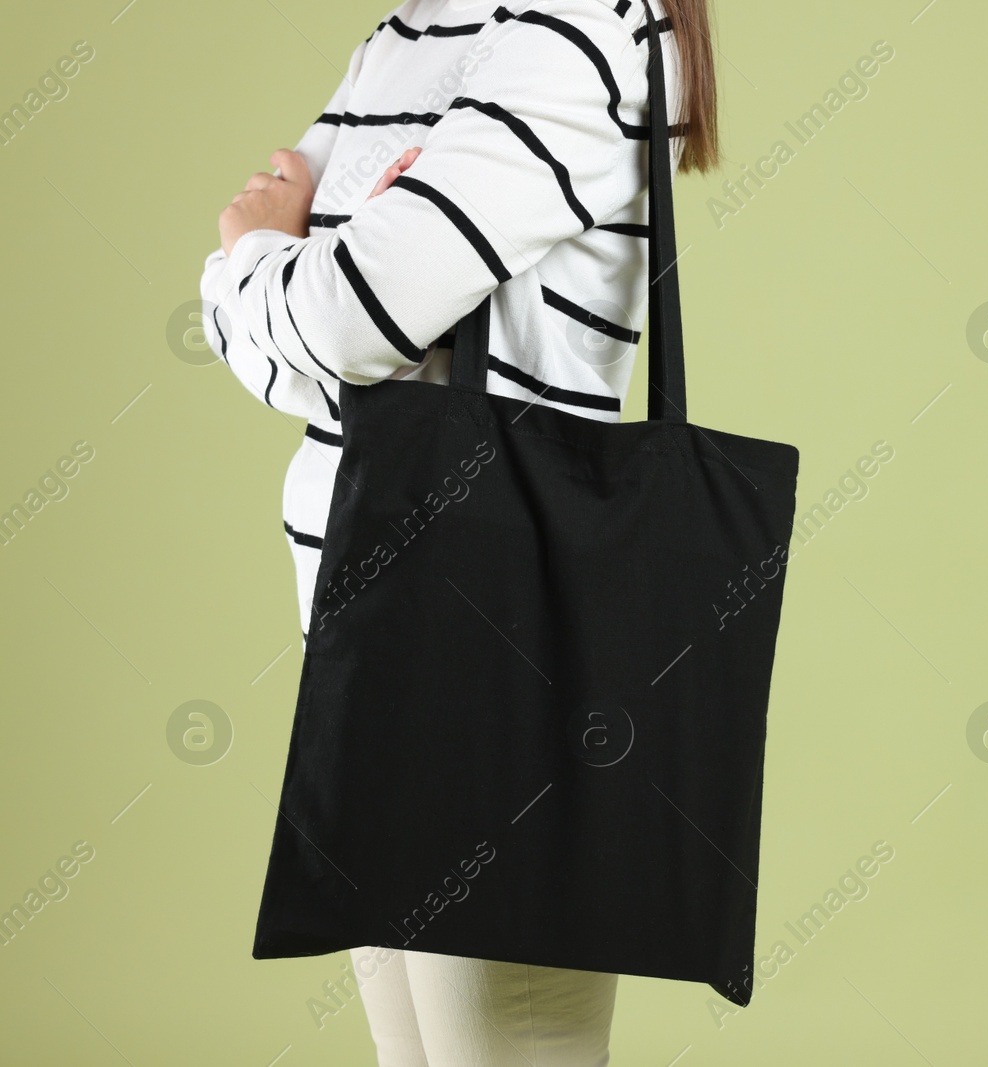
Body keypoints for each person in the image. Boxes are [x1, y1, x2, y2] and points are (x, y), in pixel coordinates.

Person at [196, 1, 718, 1063]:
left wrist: (257, 255)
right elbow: (325, 338)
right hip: (360, 652)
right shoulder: (414, 27)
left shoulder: (582, 27)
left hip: (496, 668)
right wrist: (291, 278)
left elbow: (343, 321)